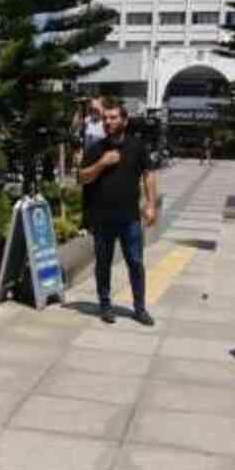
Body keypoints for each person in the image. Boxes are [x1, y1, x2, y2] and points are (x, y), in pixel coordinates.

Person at [77, 98, 158, 326]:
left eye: (113, 118)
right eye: (105, 118)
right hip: (102, 218)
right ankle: (105, 305)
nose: (107, 122)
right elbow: (82, 177)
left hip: (130, 218)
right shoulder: (96, 149)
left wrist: (151, 205)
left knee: (135, 262)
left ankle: (140, 308)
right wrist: (102, 163)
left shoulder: (137, 146)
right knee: (103, 263)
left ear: (125, 120)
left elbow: (148, 174)